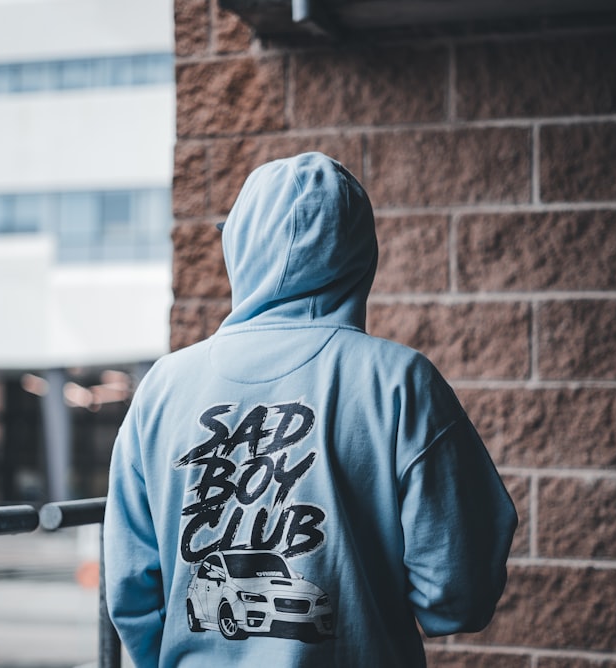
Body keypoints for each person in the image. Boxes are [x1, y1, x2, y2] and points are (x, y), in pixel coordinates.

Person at [103, 152, 517, 667]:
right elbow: (457, 594)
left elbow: (131, 593)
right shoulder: (400, 382)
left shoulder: (161, 388)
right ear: (362, 255)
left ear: (241, 246)